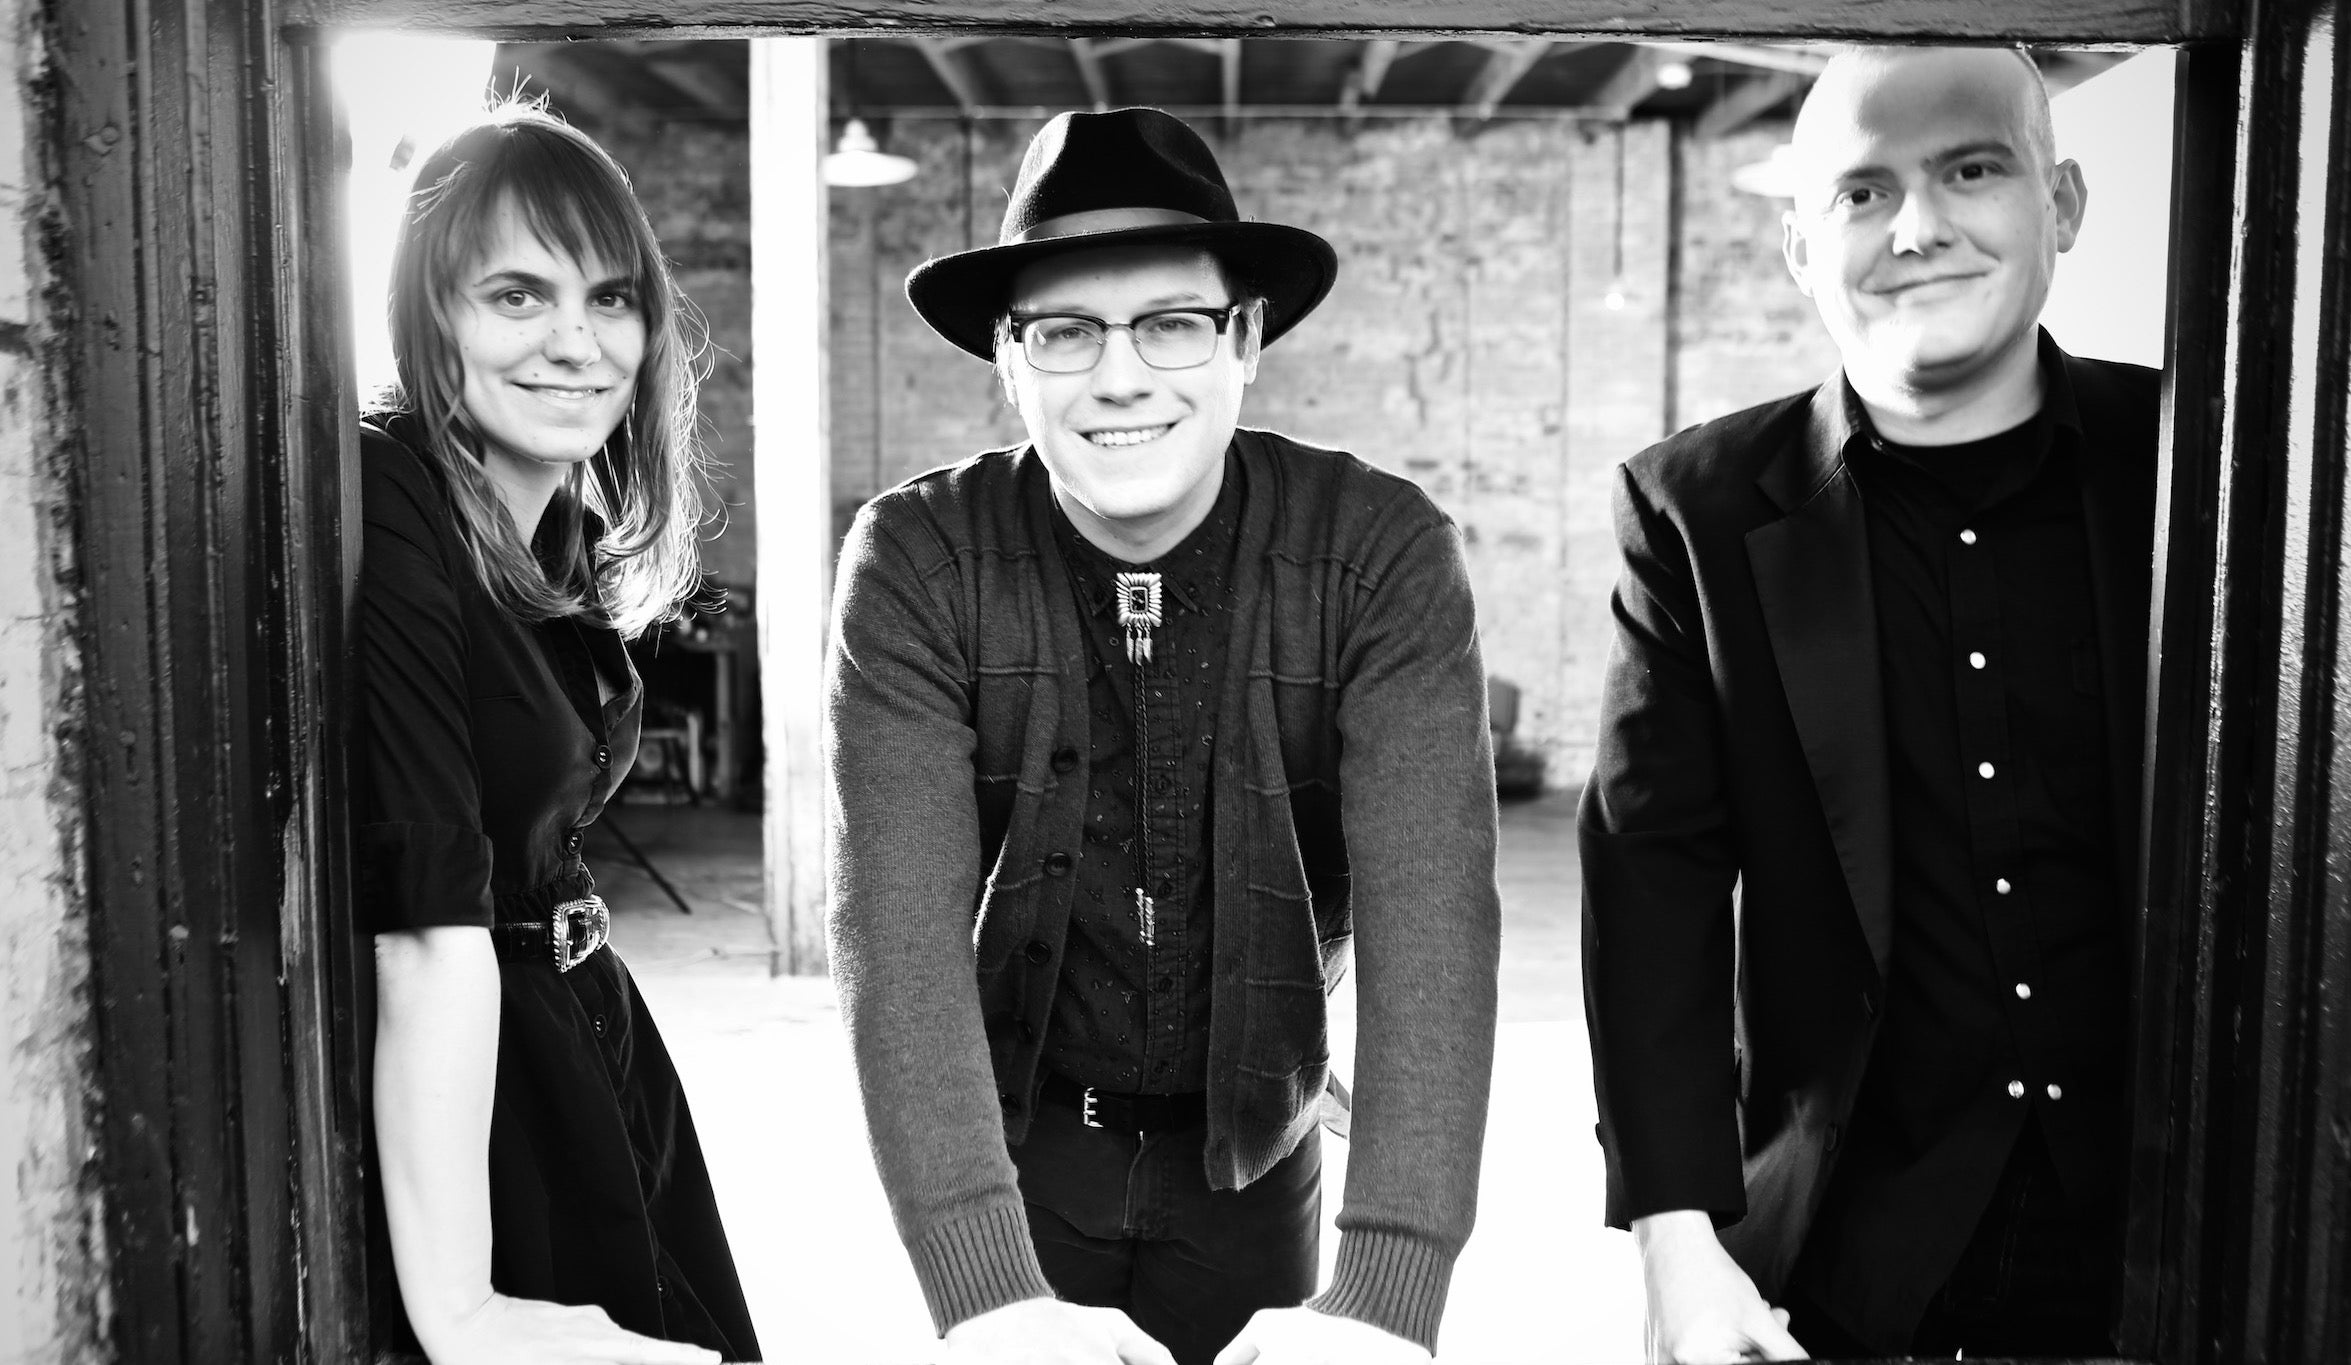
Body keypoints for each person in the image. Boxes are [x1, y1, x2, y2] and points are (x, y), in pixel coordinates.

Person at [825, 108, 1501, 1365]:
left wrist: (1385, 1295)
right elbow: (895, 936)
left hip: (1254, 1151)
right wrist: (984, 1290)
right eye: (1065, 330)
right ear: (1009, 357)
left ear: (1246, 337)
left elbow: (1434, 922)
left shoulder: (1376, 553)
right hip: (1017, 1138)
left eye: (1173, 323)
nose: (1120, 376)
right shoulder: (920, 560)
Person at [1580, 47, 2159, 1363]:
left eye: (1971, 169)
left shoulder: (2209, 462)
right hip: (1844, 1253)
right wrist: (1673, 1233)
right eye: (1861, 192)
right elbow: (1651, 882)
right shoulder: (1691, 511)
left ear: (2061, 204)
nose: (1916, 227)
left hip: (2177, 1233)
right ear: (1800, 246)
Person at [352, 104, 759, 1365]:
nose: (577, 342)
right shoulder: (389, 493)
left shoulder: (558, 532)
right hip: (488, 1082)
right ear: (434, 316)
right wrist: (461, 1306)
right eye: (517, 295)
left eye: (610, 298)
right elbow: (430, 915)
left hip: (597, 1036)